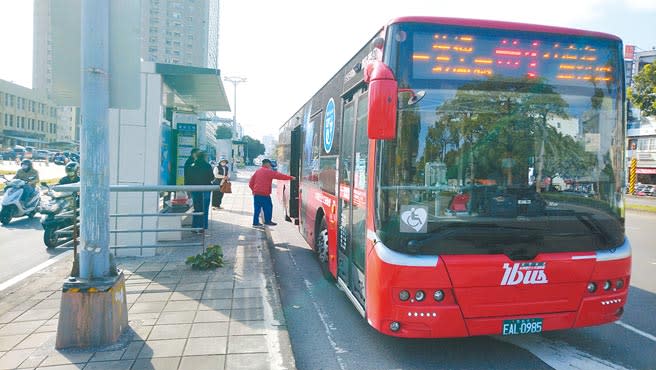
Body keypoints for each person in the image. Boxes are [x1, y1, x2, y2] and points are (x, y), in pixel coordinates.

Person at [249, 159, 295, 226]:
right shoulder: (269, 172)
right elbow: (280, 176)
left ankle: (255, 223)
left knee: (257, 209)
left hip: (256, 194)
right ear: (267, 164)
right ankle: (268, 221)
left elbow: (250, 183)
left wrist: (254, 190)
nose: (270, 166)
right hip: (264, 194)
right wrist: (291, 178)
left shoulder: (257, 171)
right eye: (270, 165)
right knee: (268, 207)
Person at [186, 151, 214, 232]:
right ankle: (203, 227)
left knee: (197, 208)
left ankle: (194, 227)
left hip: (195, 190)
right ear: (204, 157)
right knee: (204, 208)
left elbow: (189, 178)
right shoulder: (207, 166)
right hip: (206, 189)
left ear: (196, 157)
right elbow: (211, 178)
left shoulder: (192, 166)